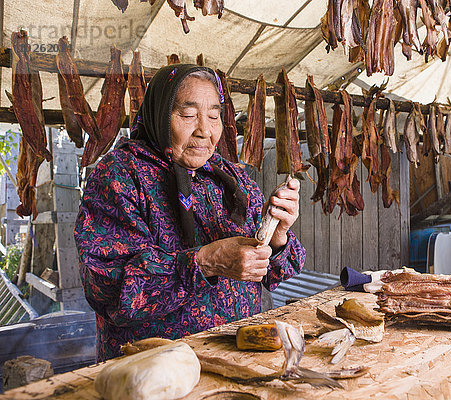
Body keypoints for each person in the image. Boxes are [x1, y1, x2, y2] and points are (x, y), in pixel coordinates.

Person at [74, 64, 305, 361]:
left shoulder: (230, 178)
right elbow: (107, 287)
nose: (205, 131)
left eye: (214, 116)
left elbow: (273, 272)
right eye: (187, 114)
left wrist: (278, 236)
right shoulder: (120, 176)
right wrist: (205, 262)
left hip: (236, 358)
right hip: (153, 368)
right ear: (160, 113)